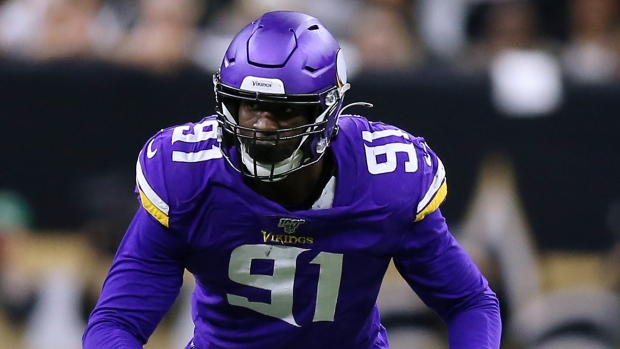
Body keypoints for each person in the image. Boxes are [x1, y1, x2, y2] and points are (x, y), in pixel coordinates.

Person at [82, 10, 501, 349]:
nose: (263, 126)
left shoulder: (386, 178)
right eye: (249, 106)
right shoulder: (188, 175)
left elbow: (469, 302)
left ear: (327, 112)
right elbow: (118, 320)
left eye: (283, 110)